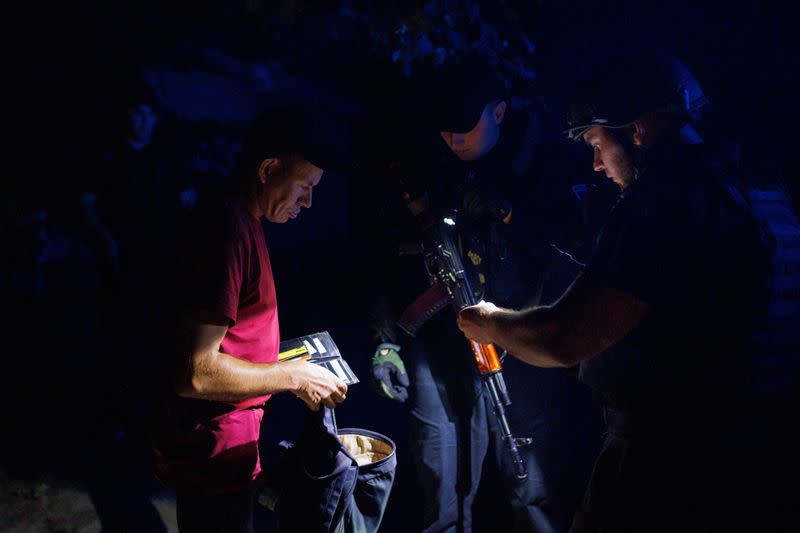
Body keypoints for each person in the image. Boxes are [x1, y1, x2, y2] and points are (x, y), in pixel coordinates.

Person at [457, 52, 797, 531]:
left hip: (666, 468)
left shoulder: (666, 199)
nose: (595, 164)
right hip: (757, 466)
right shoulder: (757, 190)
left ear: (635, 130)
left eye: (596, 143)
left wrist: (487, 321)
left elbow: (563, 338)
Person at [359, 59, 600, 532]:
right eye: (446, 131)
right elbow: (381, 258)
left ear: (499, 112)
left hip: (522, 348)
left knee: (533, 486)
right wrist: (385, 338)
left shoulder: (539, 167)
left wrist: (511, 215)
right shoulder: (426, 167)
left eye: (465, 128)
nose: (454, 140)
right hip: (440, 350)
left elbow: (576, 253)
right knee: (440, 483)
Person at [152, 106, 350, 533]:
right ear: (268, 168)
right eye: (304, 186)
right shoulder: (226, 230)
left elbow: (234, 339)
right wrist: (292, 377)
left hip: (233, 453)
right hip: (213, 457)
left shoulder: (248, 219)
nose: (309, 202)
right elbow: (196, 372)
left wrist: (297, 363)